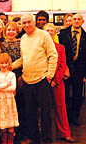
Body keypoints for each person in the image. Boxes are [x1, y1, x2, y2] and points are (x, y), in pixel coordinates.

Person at [12, 14, 58, 143]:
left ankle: (47, 139)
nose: (26, 25)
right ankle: (35, 139)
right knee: (30, 113)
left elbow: (53, 55)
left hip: (42, 80)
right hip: (27, 80)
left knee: (46, 113)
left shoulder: (44, 35)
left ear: (34, 22)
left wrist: (49, 75)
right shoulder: (23, 38)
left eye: (29, 22)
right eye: (24, 23)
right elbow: (23, 59)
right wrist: (10, 66)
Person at [44, 23, 74, 143]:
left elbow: (62, 65)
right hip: (43, 82)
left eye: (52, 30)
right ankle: (45, 133)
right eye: (47, 30)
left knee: (60, 108)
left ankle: (64, 133)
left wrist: (55, 80)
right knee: (43, 109)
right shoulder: (40, 47)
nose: (50, 32)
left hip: (57, 82)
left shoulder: (60, 47)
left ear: (55, 33)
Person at [58, 13, 86, 126]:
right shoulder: (63, 34)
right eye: (74, 19)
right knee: (64, 95)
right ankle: (65, 117)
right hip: (66, 68)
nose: (76, 21)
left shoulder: (85, 36)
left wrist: (85, 74)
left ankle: (74, 117)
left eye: (79, 19)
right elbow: (60, 51)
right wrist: (64, 67)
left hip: (79, 69)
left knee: (77, 95)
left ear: (82, 21)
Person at [0, 53, 19, 144]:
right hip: (0, 101)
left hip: (9, 101)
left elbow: (13, 88)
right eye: (1, 63)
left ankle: (10, 141)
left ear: (9, 63)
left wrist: (0, 87)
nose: (4, 65)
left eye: (6, 63)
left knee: (10, 124)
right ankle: (4, 141)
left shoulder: (12, 75)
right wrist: (6, 84)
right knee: (2, 125)